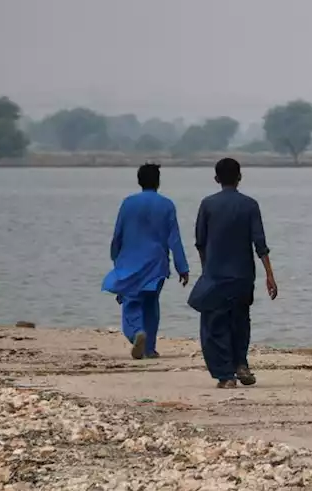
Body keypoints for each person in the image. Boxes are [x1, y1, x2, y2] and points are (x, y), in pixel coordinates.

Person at [187, 158, 278, 389]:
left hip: (215, 276)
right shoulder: (250, 205)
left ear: (217, 179)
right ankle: (241, 364)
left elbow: (200, 242)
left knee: (214, 325)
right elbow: (260, 244)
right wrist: (270, 275)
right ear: (240, 177)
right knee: (240, 321)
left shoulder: (207, 205)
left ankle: (226, 375)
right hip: (243, 276)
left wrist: (206, 269)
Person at [101, 163, 189, 360]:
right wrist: (182, 267)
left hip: (130, 262)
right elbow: (174, 239)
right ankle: (149, 348)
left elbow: (118, 235)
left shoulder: (128, 203)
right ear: (158, 181)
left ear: (139, 181)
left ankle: (136, 333)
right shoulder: (167, 205)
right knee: (151, 304)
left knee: (131, 302)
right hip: (156, 264)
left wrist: (116, 259)